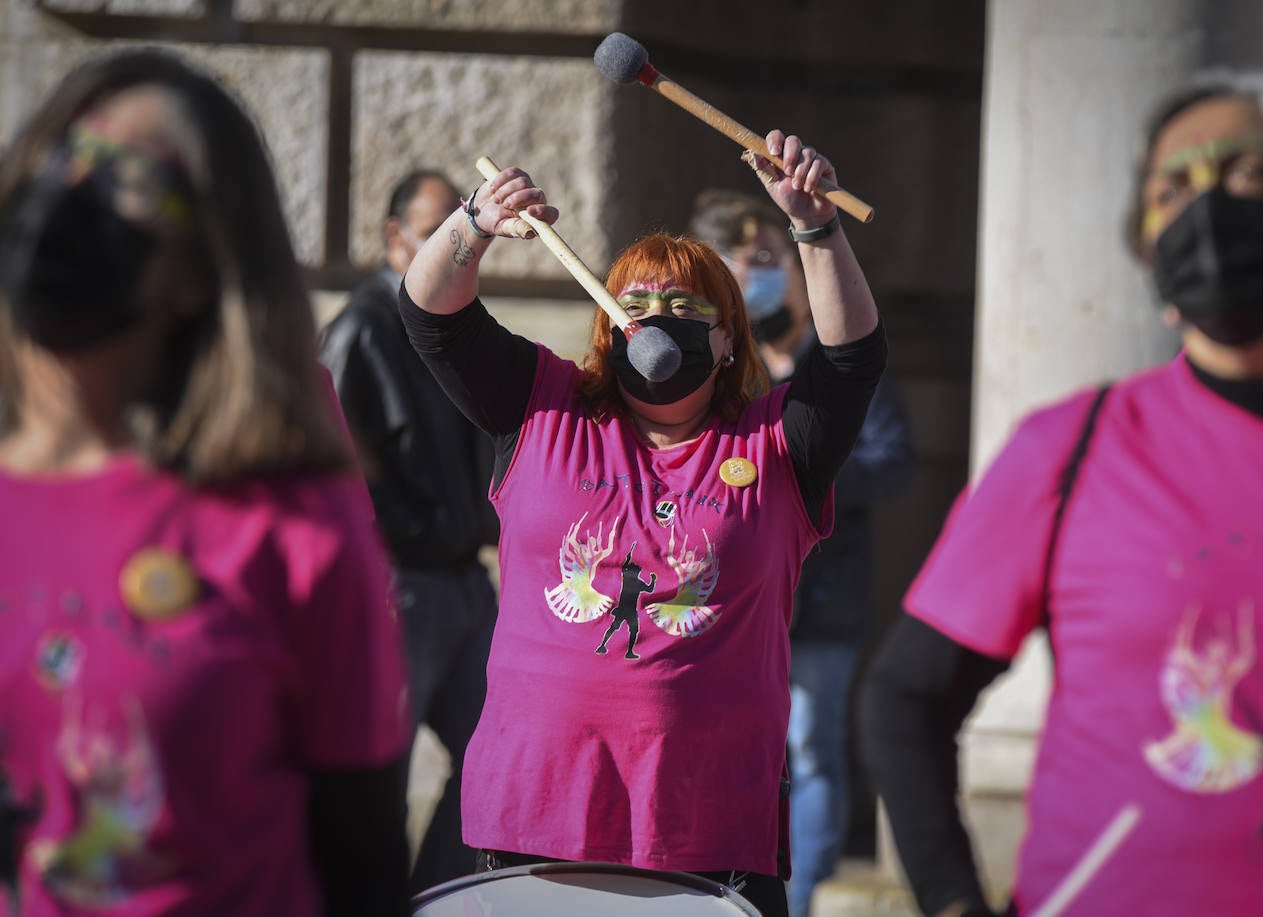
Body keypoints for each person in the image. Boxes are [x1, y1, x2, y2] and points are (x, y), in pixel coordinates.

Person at [860, 69, 1263, 917]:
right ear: (1148, 254)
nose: (1210, 210)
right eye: (1173, 189)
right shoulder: (1074, 447)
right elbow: (904, 698)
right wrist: (955, 904)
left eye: (1252, 175)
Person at [399, 131, 883, 917]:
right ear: (607, 326)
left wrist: (815, 227)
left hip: (709, 833)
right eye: (638, 305)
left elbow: (852, 359)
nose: (659, 319)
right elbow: (431, 316)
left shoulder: (774, 443)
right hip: (535, 820)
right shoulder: (542, 405)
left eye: (687, 307)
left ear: (727, 340)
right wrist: (473, 224)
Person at [0, 49, 410, 916]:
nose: (76, 194)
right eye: (61, 159)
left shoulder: (295, 526)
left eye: (132, 179)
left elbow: (361, 865)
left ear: (200, 267)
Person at [690, 190, 918, 916]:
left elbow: (892, 460)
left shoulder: (837, 356)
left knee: (812, 754)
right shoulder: (721, 366)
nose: (755, 277)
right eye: (738, 266)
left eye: (766, 261)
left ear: (793, 265)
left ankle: (801, 896)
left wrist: (803, 471)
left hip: (822, 604)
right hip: (728, 602)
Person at [319, 169, 498, 893]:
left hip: (464, 577)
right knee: (377, 773)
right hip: (398, 585)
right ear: (394, 237)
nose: (451, 240)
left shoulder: (455, 321)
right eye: (433, 227)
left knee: (496, 757)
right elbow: (332, 470)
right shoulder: (361, 328)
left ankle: (429, 899)